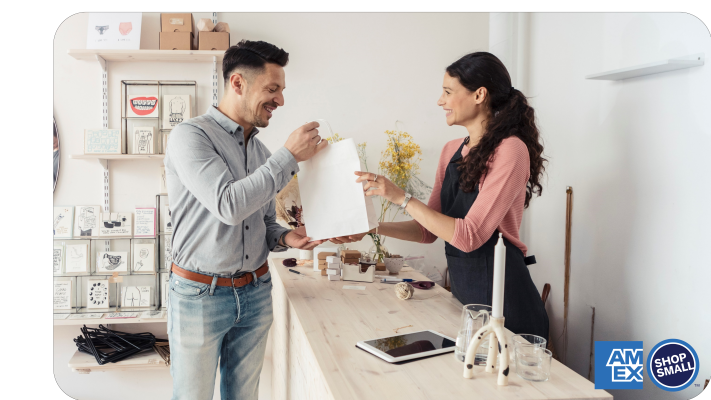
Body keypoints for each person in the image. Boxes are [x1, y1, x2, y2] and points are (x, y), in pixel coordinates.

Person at [333, 52, 549, 338]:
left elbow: (469, 237)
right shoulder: (451, 151)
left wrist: (401, 197)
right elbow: (427, 231)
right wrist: (370, 227)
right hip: (467, 299)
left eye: (448, 92)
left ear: (479, 95)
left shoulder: (511, 150)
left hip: (507, 304)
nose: (440, 101)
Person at [164, 40, 329, 400]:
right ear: (237, 83)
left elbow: (262, 222)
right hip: (199, 296)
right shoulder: (191, 137)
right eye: (272, 89)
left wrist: (288, 238)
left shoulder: (260, 151)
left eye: (282, 90)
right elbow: (228, 204)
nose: (280, 101)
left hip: (255, 293)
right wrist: (288, 156)